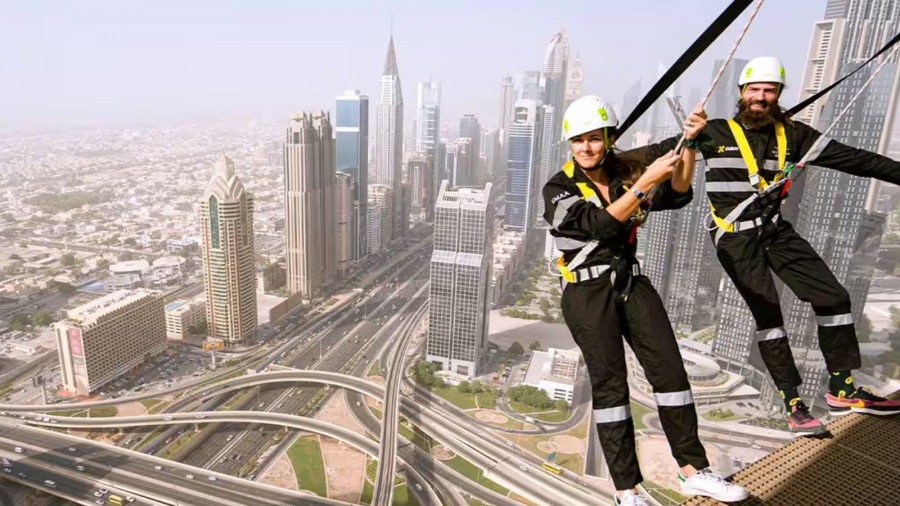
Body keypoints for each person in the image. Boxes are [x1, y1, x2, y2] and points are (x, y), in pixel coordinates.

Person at [543, 95, 747, 506]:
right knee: (611, 388)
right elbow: (601, 223)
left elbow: (680, 192)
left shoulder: (624, 172)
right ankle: (627, 491)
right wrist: (646, 180)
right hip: (586, 292)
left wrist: (689, 143)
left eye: (594, 139)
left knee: (671, 374)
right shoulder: (558, 189)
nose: (586, 148)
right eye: (577, 141)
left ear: (609, 139)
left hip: (631, 283)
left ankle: (694, 471)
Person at [692, 56, 900, 435]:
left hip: (774, 231)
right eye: (754, 90)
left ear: (778, 95)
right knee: (770, 316)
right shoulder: (713, 132)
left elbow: (858, 160)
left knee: (834, 298)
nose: (761, 96)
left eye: (769, 90)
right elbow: (657, 158)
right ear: (741, 94)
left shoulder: (795, 136)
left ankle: (842, 388)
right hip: (734, 238)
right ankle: (793, 403)